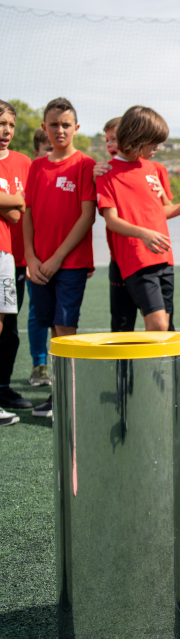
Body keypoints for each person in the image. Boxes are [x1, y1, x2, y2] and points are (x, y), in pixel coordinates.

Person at [96, 106, 180, 332]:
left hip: (164, 256)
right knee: (156, 324)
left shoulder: (153, 169)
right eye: (153, 142)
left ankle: (157, 369)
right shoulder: (107, 173)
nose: (157, 148)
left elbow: (158, 212)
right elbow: (112, 221)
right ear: (137, 139)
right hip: (136, 259)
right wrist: (143, 233)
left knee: (166, 327)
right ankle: (131, 368)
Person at [22, 98, 97, 419]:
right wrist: (31, 257)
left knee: (66, 329)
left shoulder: (85, 165)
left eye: (66, 124)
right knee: (53, 327)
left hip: (70, 264)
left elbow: (86, 217)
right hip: (38, 265)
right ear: (44, 129)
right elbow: (27, 214)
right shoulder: (36, 166)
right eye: (54, 125)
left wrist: (56, 258)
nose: (60, 130)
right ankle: (59, 395)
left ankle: (68, 401)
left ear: (76, 128)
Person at [0, 99, 29, 423]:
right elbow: (16, 208)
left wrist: (13, 204)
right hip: (2, 252)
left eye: (9, 125)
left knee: (10, 327)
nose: (5, 131)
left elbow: (22, 209)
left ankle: (3, 387)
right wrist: (18, 203)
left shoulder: (24, 162)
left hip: (17, 257)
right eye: (0, 124)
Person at [23, 130, 52, 388]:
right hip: (19, 254)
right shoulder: (30, 172)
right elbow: (21, 213)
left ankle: (43, 365)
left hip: (43, 257)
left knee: (39, 310)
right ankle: (38, 363)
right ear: (36, 154)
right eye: (47, 150)